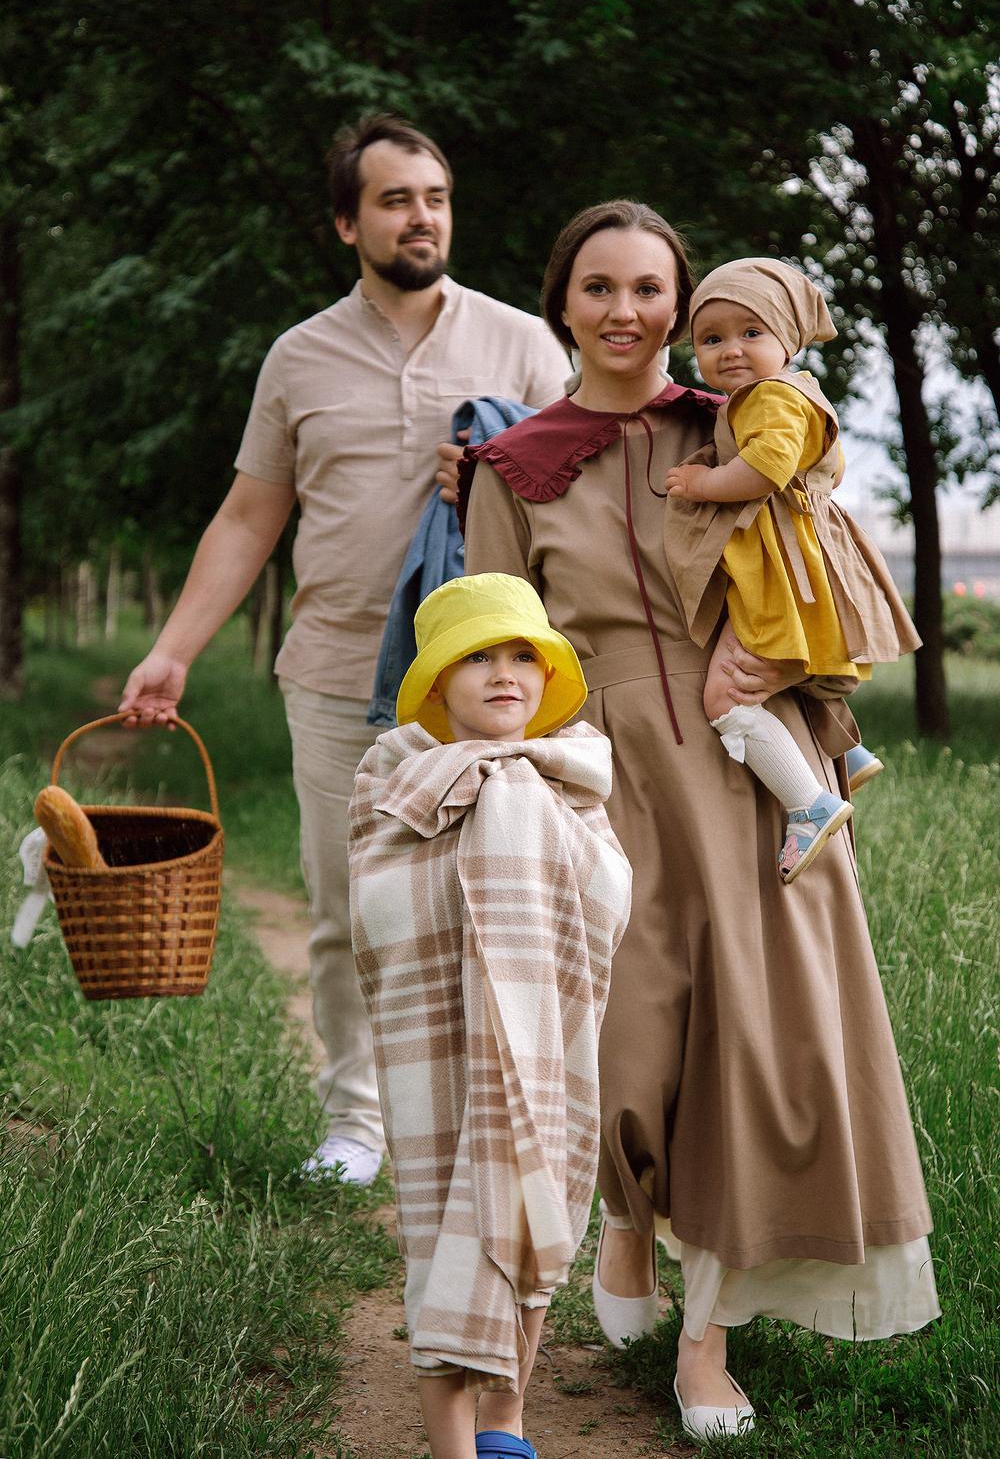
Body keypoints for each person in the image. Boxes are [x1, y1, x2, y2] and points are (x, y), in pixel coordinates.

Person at [458, 201, 939, 1443]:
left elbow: (823, 552)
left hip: (749, 754)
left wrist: (763, 645)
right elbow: (493, 639)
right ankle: (626, 1223)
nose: (627, 312)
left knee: (751, 1044)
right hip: (597, 762)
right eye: (599, 288)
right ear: (561, 301)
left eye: (650, 290)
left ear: (682, 305)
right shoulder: (513, 465)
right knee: (621, 1043)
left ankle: (707, 1340)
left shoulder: (742, 421)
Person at [118, 113, 569, 1186]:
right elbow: (247, 517)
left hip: (490, 686)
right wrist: (173, 651)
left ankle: (481, 1124)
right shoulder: (299, 356)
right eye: (395, 199)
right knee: (346, 907)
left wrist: (510, 482)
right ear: (345, 223)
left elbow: (589, 506)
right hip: (331, 676)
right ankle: (357, 1123)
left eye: (435, 197)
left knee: (491, 907)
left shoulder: (522, 343)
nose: (421, 216)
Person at [348, 573, 632, 1459]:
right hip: (437, 1043)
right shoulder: (398, 776)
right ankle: (449, 1443)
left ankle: (507, 1420)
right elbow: (380, 905)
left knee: (534, 1206)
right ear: (435, 683)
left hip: (545, 1038)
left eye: (523, 656)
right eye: (476, 658)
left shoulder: (572, 776)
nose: (505, 674)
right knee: (442, 1222)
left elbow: (607, 894)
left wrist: (519, 820)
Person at [662, 258, 919, 880]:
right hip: (798, 561)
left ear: (788, 339)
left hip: (780, 570)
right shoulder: (782, 393)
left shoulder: (773, 397)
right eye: (711, 338)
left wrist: (703, 481)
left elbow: (767, 469)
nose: (730, 350)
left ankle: (808, 803)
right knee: (795, 667)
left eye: (751, 333)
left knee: (727, 694)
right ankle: (846, 751)